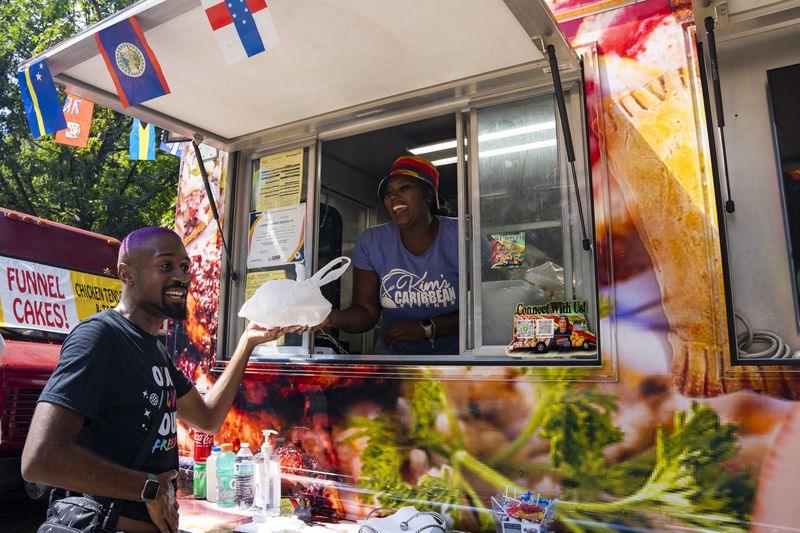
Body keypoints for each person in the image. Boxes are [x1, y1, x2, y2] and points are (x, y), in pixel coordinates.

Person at [21, 227, 294, 533]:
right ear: (128, 274)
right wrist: (148, 488)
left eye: (185, 267)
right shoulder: (99, 337)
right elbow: (40, 459)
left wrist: (246, 342)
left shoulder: (155, 351)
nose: (182, 277)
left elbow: (208, 419)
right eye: (166, 266)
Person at [317, 156, 459, 355]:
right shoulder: (372, 241)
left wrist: (426, 328)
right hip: (395, 360)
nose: (394, 197)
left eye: (404, 188)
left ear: (428, 193)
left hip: (458, 360)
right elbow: (366, 312)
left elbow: (484, 309)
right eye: (388, 192)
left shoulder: (462, 235)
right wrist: (330, 318)